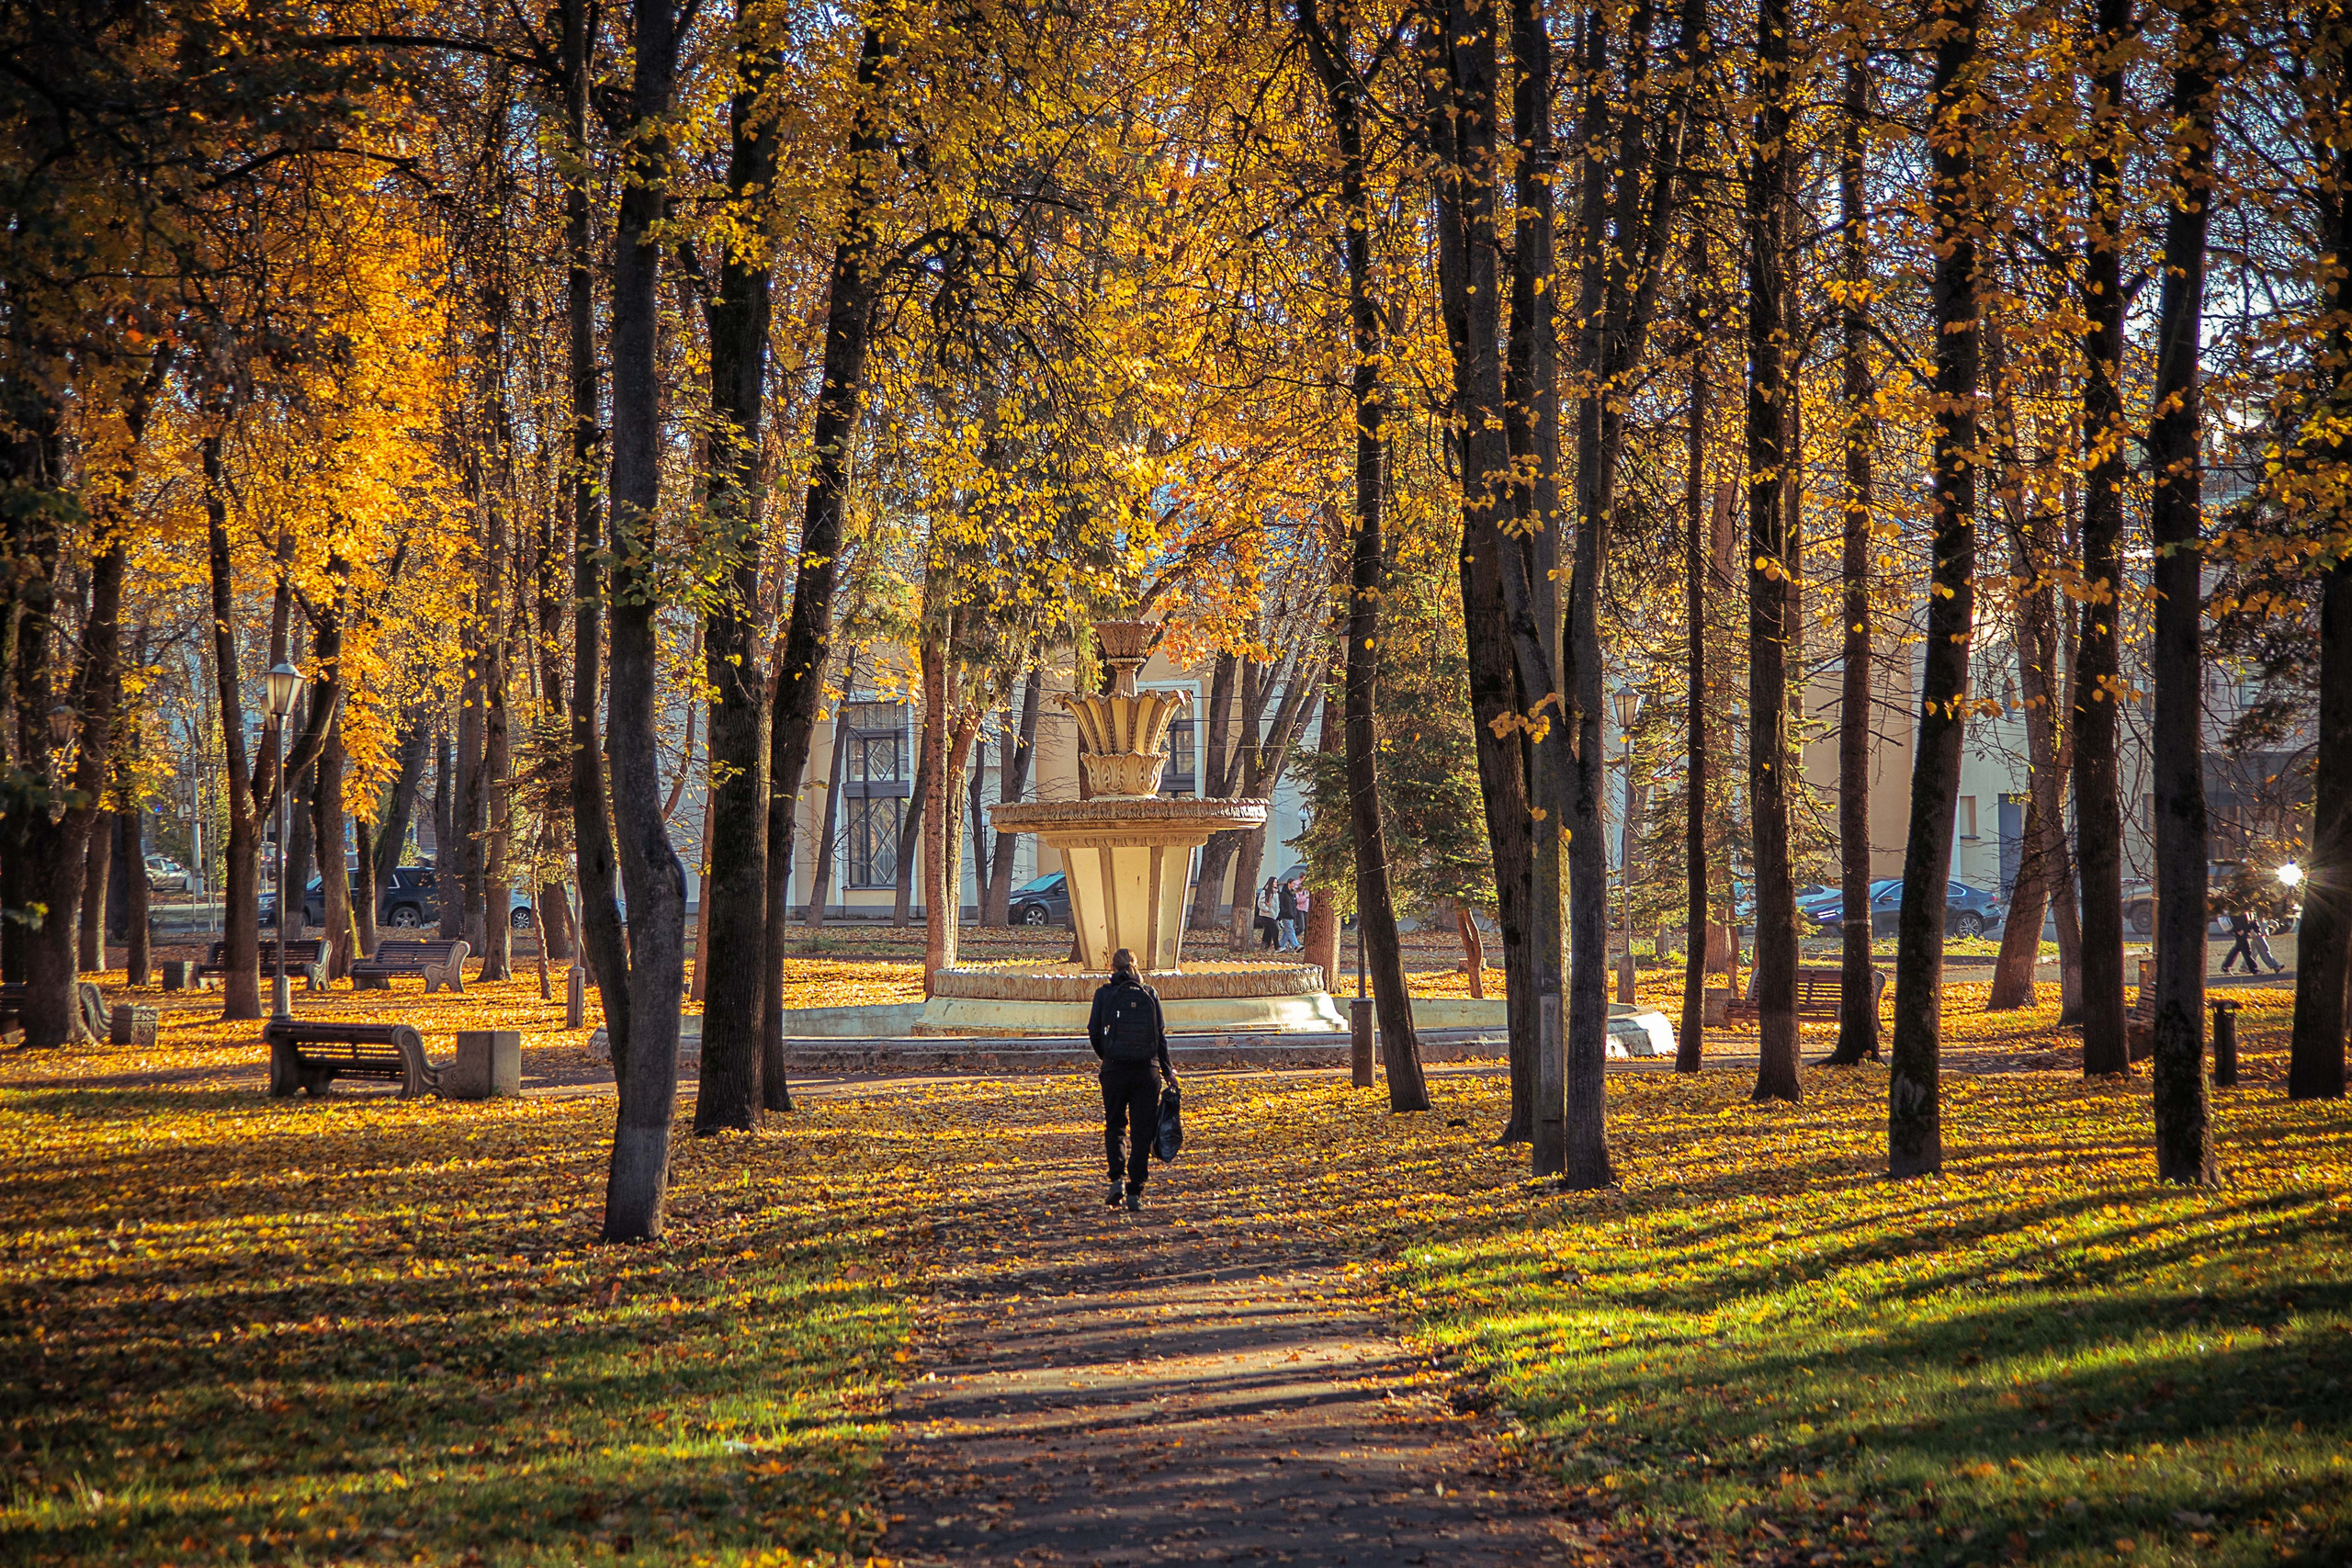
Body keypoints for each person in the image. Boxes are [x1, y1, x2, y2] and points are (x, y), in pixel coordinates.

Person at [1089, 947, 1174, 1211]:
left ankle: (1117, 1179)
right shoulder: (1149, 993)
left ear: (1112, 967)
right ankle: (1136, 1190)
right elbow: (1159, 1035)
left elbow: (1094, 1031)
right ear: (1136, 965)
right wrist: (1167, 1071)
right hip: (1147, 1070)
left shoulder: (1104, 994)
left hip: (1114, 1069)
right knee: (1142, 1130)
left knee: (1115, 1124)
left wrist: (1107, 1056)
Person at [2220, 907, 2262, 975]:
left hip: (2244, 930)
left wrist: (2257, 930)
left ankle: (2225, 966)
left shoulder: (2250, 909)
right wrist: (2238, 929)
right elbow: (2234, 918)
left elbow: (2254, 920)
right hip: (2240, 932)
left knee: (2237, 948)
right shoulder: (2239, 906)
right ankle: (2253, 969)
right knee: (2246, 950)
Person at [1254, 878, 1281, 948]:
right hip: (1266, 914)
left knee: (1268, 930)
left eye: (1276, 882)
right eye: (1274, 882)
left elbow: (1277, 904)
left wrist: (1277, 912)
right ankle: (1277, 947)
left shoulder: (1276, 893)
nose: (1276, 883)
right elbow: (1260, 903)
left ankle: (1265, 945)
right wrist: (1267, 909)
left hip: (1274, 914)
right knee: (1275, 929)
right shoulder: (1265, 892)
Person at [1275, 878, 1300, 951]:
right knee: (1290, 930)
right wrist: (1285, 911)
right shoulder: (1283, 893)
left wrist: (1294, 912)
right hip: (1285, 915)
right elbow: (1281, 904)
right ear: (1289, 883)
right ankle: (1296, 945)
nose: (1294, 885)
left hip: (1291, 915)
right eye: (1293, 884)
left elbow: (1294, 904)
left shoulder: (1292, 893)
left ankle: (1281, 946)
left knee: (1286, 932)